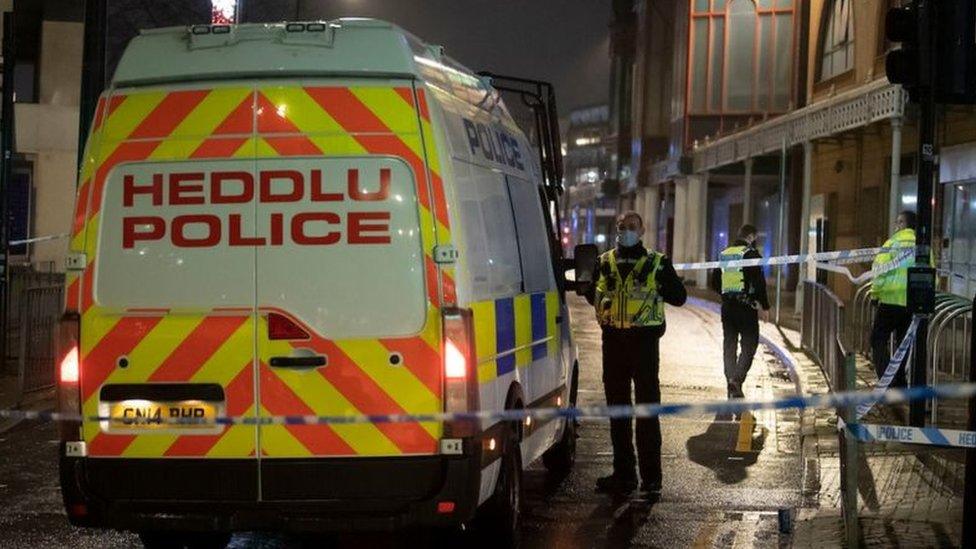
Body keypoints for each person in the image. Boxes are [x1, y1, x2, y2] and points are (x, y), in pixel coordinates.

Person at [585, 211, 687, 495]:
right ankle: (624, 475)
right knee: (618, 415)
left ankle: (651, 479)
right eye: (621, 227)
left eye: (631, 227)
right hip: (613, 346)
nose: (626, 231)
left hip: (644, 348)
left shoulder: (657, 262)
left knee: (646, 416)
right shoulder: (604, 263)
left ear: (642, 230)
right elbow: (590, 292)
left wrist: (664, 285)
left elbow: (679, 297)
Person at [711, 224, 770, 399]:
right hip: (746, 308)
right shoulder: (750, 254)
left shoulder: (724, 254)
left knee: (729, 345)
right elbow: (759, 284)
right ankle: (736, 380)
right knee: (749, 344)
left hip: (727, 308)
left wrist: (727, 294)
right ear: (751, 237)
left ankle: (730, 381)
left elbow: (715, 282)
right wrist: (765, 306)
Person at [870, 211, 917, 388]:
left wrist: (875, 294)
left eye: (899, 221)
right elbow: (932, 275)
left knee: (877, 339)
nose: (896, 225)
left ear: (906, 224)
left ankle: (886, 379)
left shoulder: (892, 243)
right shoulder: (922, 246)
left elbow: (880, 271)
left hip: (889, 302)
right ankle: (899, 380)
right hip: (911, 303)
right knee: (903, 343)